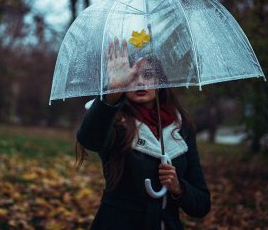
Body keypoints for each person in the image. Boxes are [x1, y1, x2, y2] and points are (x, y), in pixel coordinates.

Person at [76, 38, 211, 229]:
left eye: (148, 74)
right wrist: (113, 90)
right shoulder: (113, 120)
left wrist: (178, 187)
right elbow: (89, 140)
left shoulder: (182, 126)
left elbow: (202, 205)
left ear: (160, 80)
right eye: (132, 76)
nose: (140, 82)